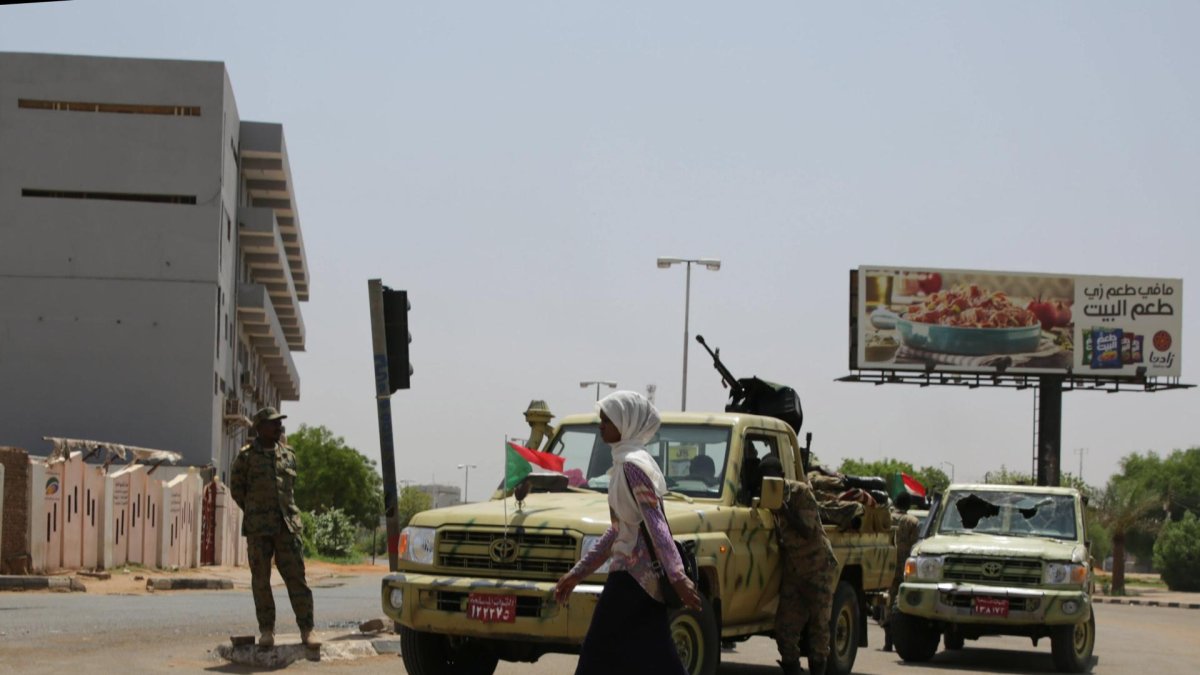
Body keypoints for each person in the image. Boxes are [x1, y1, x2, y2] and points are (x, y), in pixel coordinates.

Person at [553, 391, 702, 675]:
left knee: (597, 655)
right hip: (641, 580)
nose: (601, 425)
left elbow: (657, 524)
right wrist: (577, 573)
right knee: (658, 658)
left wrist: (678, 576)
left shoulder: (633, 466)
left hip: (633, 580)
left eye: (608, 419)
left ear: (627, 422)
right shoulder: (624, 463)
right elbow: (618, 530)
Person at [229, 407, 316, 649]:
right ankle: (267, 631)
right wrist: (256, 510)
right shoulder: (246, 457)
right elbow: (237, 490)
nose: (278, 427)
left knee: (297, 578)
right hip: (259, 529)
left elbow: (290, 491)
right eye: (273, 423)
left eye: (279, 423)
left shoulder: (288, 455)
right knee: (261, 580)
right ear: (259, 427)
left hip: (287, 526)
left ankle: (307, 629)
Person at [759, 454, 837, 675]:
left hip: (818, 568)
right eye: (765, 479)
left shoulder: (800, 493)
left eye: (773, 479)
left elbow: (807, 530)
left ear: (782, 476)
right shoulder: (767, 498)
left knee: (819, 628)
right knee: (785, 629)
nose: (769, 483)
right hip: (795, 571)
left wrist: (784, 510)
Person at [882, 491, 921, 652]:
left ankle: (888, 641)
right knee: (902, 603)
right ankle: (900, 639)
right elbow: (915, 546)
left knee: (888, 600)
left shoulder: (886, 517)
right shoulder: (913, 522)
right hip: (905, 567)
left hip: (886, 564)